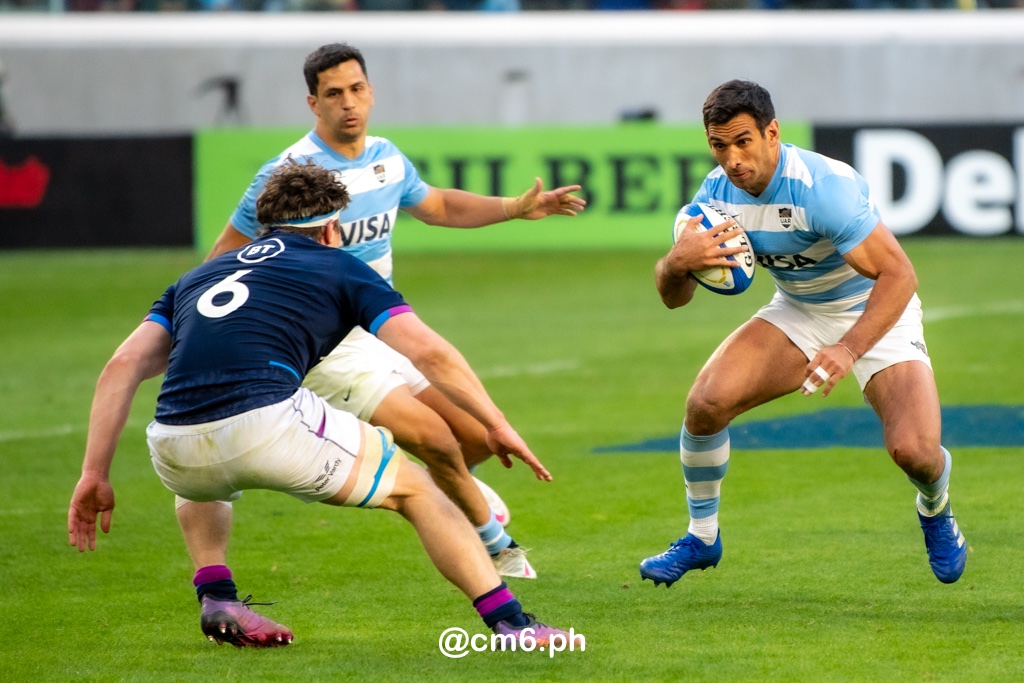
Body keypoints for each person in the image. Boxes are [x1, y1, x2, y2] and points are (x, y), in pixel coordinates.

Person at [68, 159, 580, 649]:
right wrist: (496, 422)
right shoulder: (340, 266)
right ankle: (512, 624)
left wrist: (95, 474)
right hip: (266, 424)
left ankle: (217, 596)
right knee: (418, 490)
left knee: (202, 457)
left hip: (171, 443)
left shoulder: (195, 278)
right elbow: (429, 351)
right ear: (333, 227)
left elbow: (122, 367)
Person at [205, 43, 586, 580]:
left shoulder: (386, 156)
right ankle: (496, 546)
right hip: (329, 343)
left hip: (384, 328)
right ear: (313, 103)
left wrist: (515, 209)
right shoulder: (289, 174)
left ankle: (433, 488)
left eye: (356, 89)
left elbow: (439, 206)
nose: (348, 103)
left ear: (371, 91)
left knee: (472, 438)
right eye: (333, 94)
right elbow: (223, 256)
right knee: (434, 437)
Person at [639, 79, 967, 588]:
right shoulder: (715, 197)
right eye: (719, 145)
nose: (732, 159)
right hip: (799, 309)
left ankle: (936, 507)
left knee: (915, 453)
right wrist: (674, 265)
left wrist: (848, 348)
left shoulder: (822, 188)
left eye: (743, 141)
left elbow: (900, 275)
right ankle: (702, 537)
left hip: (877, 311)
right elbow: (674, 298)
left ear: (772, 133)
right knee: (705, 404)